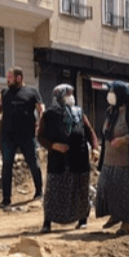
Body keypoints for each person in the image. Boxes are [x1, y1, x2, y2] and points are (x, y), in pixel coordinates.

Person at [36, 84, 97, 233]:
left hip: (79, 158)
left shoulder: (79, 112)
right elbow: (40, 137)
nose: (70, 97)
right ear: (58, 97)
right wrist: (54, 146)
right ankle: (47, 222)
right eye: (67, 94)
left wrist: (95, 148)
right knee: (53, 191)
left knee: (80, 189)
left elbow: (89, 131)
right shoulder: (49, 115)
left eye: (71, 93)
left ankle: (82, 219)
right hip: (58, 160)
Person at [96, 82, 129, 235]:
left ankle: (126, 224)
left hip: (128, 163)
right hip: (108, 161)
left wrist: (124, 139)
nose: (109, 95)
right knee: (108, 189)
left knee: (127, 193)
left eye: (112, 92)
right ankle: (115, 215)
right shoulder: (110, 111)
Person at [0, 67, 44, 208]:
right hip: (8, 136)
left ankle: (39, 192)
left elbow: (41, 108)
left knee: (33, 163)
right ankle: (6, 199)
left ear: (19, 78)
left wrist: (41, 122)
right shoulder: (4, 93)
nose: (7, 80)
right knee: (6, 166)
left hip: (27, 135)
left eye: (10, 77)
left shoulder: (32, 91)